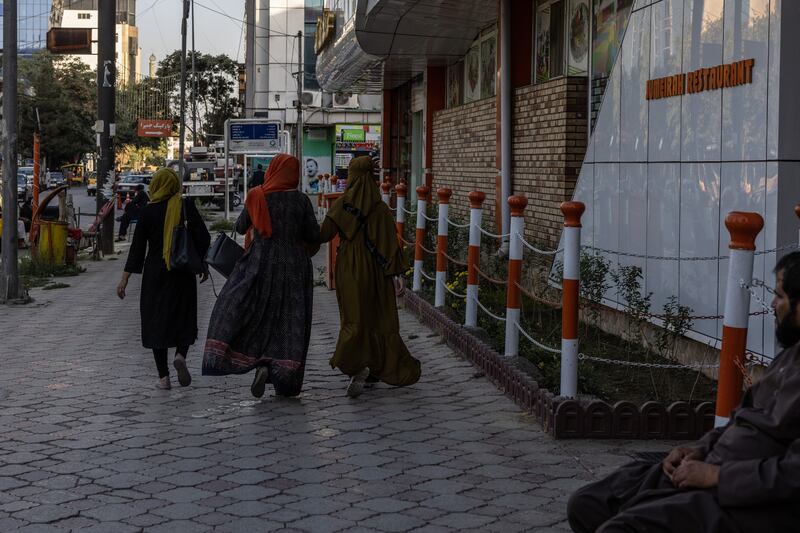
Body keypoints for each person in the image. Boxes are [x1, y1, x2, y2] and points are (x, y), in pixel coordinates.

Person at [566, 251, 800, 533]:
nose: (773, 305)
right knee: (588, 503)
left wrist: (717, 476)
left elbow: (793, 474)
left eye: (781, 296)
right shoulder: (789, 358)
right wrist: (698, 449)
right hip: (711, 469)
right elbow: (742, 420)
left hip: (749, 502)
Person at [202, 154, 320, 398]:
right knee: (289, 321)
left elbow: (240, 227)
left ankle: (259, 363)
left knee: (258, 315)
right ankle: (282, 377)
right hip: (295, 268)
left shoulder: (257, 195)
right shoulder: (301, 201)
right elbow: (313, 235)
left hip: (260, 264)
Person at [317, 156, 421, 398]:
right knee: (377, 317)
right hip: (377, 271)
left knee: (354, 316)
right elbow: (388, 244)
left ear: (352, 176)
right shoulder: (381, 208)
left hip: (350, 269)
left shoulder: (342, 204)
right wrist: (397, 275)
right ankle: (379, 367)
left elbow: (323, 235)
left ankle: (355, 365)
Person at [117, 168, 211, 390]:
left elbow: (137, 249)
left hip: (156, 274)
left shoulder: (149, 212)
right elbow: (203, 237)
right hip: (183, 272)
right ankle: (180, 355)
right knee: (183, 316)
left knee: (156, 321)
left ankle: (163, 377)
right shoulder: (185, 206)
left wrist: (124, 279)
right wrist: (203, 265)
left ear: (157, 185)